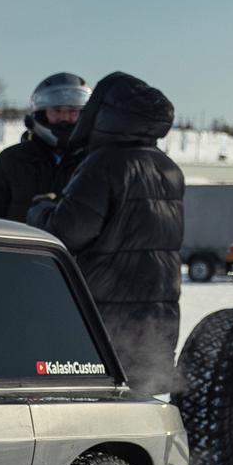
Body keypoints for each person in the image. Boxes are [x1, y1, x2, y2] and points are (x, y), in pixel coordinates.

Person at [27, 72, 183, 394]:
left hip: (105, 314)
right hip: (157, 312)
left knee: (94, 409)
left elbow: (67, 232)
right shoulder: (168, 168)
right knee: (140, 407)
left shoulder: (104, 165)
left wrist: (40, 209)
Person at [0, 73, 91, 222]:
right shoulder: (11, 160)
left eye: (72, 111)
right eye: (56, 111)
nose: (64, 118)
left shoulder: (96, 162)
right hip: (19, 243)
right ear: (42, 113)